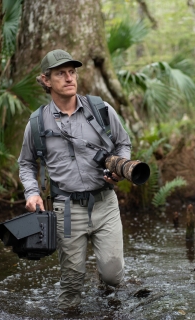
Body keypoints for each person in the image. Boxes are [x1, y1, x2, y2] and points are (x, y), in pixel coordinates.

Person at [18, 49, 131, 312]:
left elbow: (123, 143)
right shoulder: (36, 123)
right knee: (71, 283)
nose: (69, 78)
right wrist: (31, 193)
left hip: (105, 202)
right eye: (61, 73)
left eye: (72, 72)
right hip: (66, 208)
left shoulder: (101, 109)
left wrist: (121, 167)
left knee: (113, 276)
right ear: (46, 81)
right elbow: (25, 163)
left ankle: (107, 304)